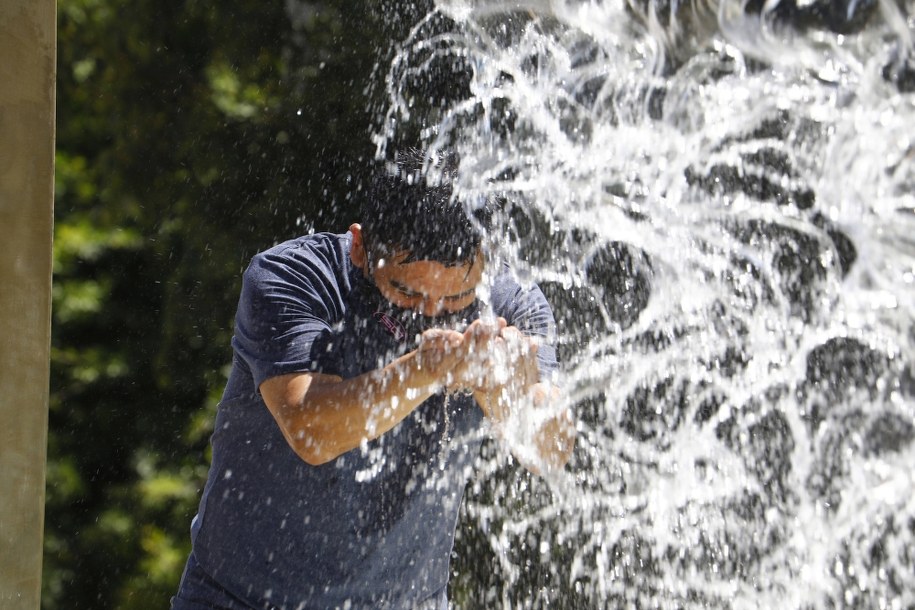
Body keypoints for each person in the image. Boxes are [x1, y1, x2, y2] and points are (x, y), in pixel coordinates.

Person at [171, 150, 575, 610]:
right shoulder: (293, 277)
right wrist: (429, 368)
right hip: (239, 599)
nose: (432, 315)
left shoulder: (511, 303)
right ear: (360, 246)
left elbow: (551, 451)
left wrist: (507, 391)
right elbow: (310, 430)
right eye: (407, 292)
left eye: (459, 297)